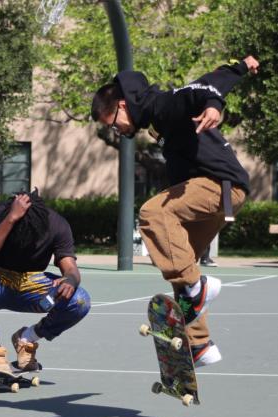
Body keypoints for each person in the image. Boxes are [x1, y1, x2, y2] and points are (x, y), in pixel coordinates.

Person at [91, 56, 259, 367]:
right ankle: (200, 344)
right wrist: (240, 67)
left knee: (153, 214)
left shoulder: (160, 104)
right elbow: (219, 72)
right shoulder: (155, 118)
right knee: (179, 260)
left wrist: (212, 105)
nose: (117, 131)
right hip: (219, 193)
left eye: (113, 123)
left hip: (219, 185)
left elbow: (201, 86)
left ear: (123, 106)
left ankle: (200, 288)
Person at [0, 189, 91, 372]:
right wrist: (10, 220)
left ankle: (27, 339)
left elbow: (71, 268)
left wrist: (70, 280)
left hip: (32, 285)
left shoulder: (56, 224)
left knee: (80, 300)